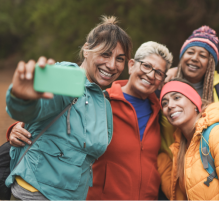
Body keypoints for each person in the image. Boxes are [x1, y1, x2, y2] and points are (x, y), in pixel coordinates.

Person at [7, 41, 173, 200]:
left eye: (159, 72)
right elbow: (50, 117)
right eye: (146, 66)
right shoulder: (103, 102)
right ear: (131, 65)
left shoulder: (163, 113)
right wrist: (16, 127)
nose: (151, 75)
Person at [4, 16, 132, 200]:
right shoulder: (68, 78)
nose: (112, 65)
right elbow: (33, 109)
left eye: (120, 58)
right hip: (36, 193)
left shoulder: (103, 102)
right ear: (86, 50)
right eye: (105, 54)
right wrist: (22, 97)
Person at [157, 78, 219, 200]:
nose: (170, 106)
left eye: (177, 97)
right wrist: (158, 160)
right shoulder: (180, 148)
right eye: (164, 103)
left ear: (194, 102)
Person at [159, 25, 219, 159]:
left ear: (210, 63)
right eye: (190, 52)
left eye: (202, 55)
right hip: (171, 166)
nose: (195, 58)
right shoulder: (164, 84)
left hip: (209, 165)